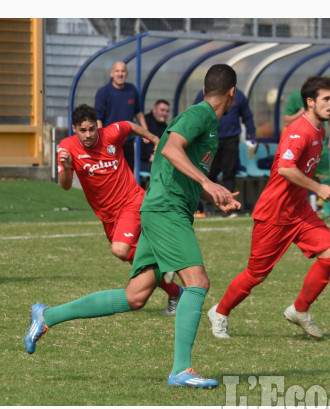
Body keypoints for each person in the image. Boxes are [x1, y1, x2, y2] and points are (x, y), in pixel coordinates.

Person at [24, 64, 241, 389]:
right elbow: (170, 148)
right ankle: (181, 370)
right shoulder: (202, 115)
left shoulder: (207, 120)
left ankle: (47, 315)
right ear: (232, 93)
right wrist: (207, 183)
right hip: (165, 210)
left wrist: (212, 194)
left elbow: (172, 157)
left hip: (164, 209)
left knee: (135, 296)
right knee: (197, 283)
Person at [207, 76, 330, 340]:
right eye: (327, 98)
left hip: (299, 211)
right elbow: (285, 168)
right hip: (274, 213)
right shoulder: (298, 130)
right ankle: (220, 312)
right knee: (256, 275)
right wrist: (318, 188)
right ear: (310, 102)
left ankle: (299, 310)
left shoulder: (318, 130)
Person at [57, 104, 182, 315]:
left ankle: (165, 259)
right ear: (74, 129)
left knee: (120, 249)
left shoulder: (111, 133)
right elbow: (66, 185)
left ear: (97, 126)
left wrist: (154, 140)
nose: (88, 135)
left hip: (131, 201)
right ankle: (175, 291)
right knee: (135, 258)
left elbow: (130, 126)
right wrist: (68, 167)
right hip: (107, 216)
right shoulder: (66, 148)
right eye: (82, 130)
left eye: (91, 129)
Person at [283, 90, 330, 222]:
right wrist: (302, 112)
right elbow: (287, 120)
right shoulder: (295, 98)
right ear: (310, 101)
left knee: (326, 176)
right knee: (297, 177)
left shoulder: (321, 129)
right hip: (301, 144)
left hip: (320, 144)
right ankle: (295, 210)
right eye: (326, 99)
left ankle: (326, 212)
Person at [193, 87, 256, 217]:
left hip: (231, 140)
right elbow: (196, 113)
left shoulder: (238, 95)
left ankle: (228, 206)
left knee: (229, 173)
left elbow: (247, 116)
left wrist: (253, 133)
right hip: (210, 139)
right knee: (209, 172)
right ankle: (208, 207)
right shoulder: (205, 94)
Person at [94, 61, 148, 172]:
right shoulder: (103, 92)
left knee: (128, 172)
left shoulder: (132, 90)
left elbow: (138, 112)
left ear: (127, 74)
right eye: (117, 71)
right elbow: (98, 117)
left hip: (127, 139)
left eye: (123, 71)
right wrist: (101, 140)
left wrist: (146, 133)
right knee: (111, 172)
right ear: (111, 74)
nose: (120, 74)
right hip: (110, 141)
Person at [140, 99, 170, 175]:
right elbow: (139, 145)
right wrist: (149, 156)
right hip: (142, 161)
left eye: (167, 111)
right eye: (162, 110)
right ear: (154, 110)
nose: (165, 113)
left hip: (157, 160)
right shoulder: (144, 123)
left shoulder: (166, 128)